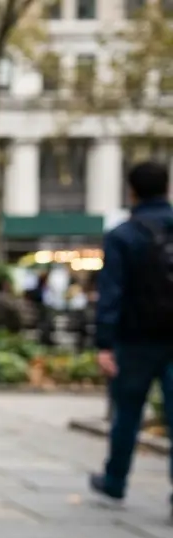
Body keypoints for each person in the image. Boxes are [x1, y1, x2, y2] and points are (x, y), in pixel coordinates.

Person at [89, 160, 173, 514]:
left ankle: (115, 481)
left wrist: (104, 343)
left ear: (132, 190)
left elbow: (111, 294)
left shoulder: (123, 235)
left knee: (127, 413)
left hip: (135, 339)